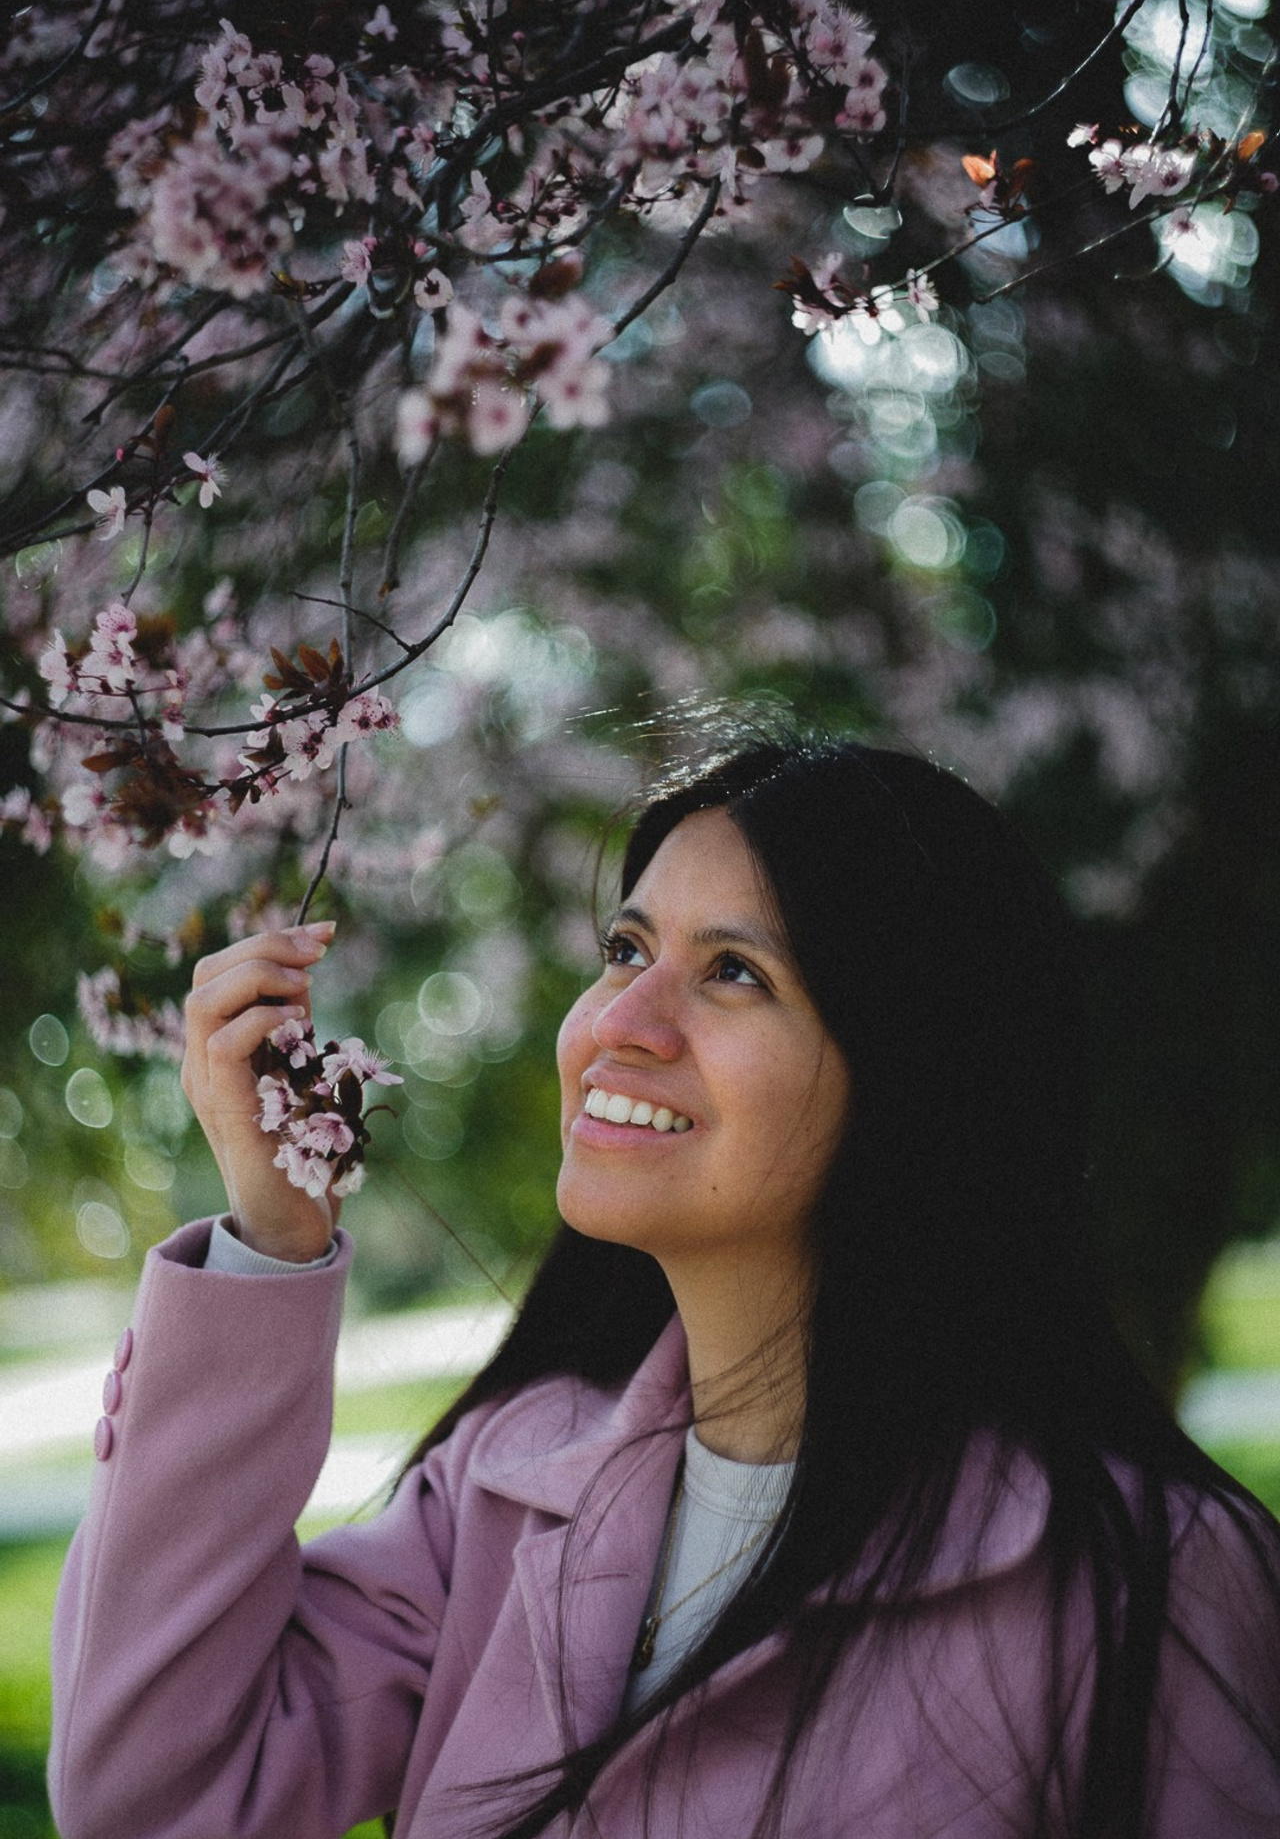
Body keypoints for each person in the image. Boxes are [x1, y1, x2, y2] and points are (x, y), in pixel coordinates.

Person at [49, 732, 1280, 1839]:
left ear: (913, 1073)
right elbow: (158, 1795)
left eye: (734, 971)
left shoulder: (1151, 1587)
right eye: (625, 949)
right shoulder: (503, 1488)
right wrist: (270, 1235)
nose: (618, 1022)